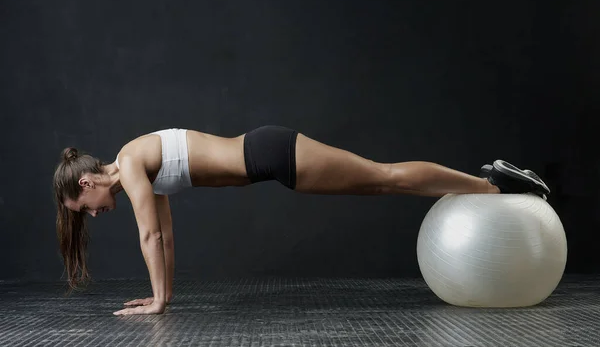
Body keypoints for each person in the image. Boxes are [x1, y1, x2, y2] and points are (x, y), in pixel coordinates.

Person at [52, 125, 550, 316]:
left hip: (272, 153)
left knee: (384, 177)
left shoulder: (132, 159)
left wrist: (158, 303)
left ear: (86, 184)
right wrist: (166, 296)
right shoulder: (142, 170)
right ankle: (488, 182)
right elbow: (166, 235)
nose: (95, 215)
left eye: (86, 210)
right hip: (272, 162)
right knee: (382, 181)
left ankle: (489, 184)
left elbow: (150, 233)